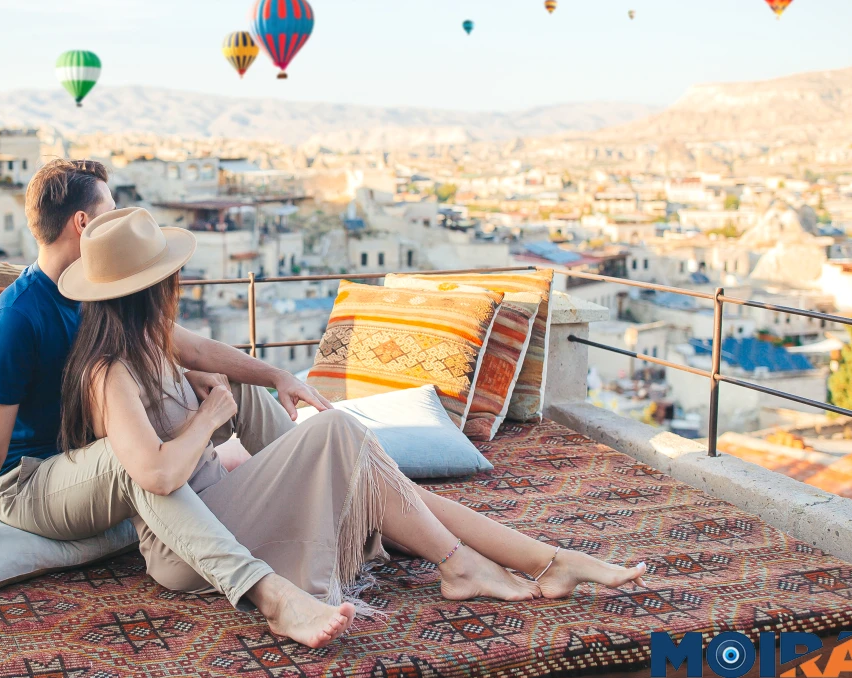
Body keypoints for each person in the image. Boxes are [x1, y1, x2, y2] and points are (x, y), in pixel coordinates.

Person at [55, 207, 648, 630]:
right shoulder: (109, 373)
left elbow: (208, 352)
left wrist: (278, 376)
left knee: (375, 475)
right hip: (190, 546)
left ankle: (544, 560)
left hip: (227, 502)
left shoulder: (150, 335)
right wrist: (209, 417)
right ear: (154, 286)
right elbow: (157, 476)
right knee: (338, 432)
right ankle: (462, 564)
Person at [0, 160, 354, 648]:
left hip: (94, 458)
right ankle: (271, 596)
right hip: (33, 482)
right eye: (111, 208)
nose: (119, 217)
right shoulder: (15, 321)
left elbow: (192, 348)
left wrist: (277, 376)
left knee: (227, 385)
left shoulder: (98, 288)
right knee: (130, 461)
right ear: (83, 223)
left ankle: (344, 499)